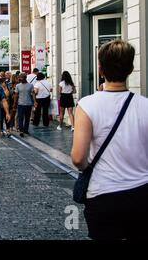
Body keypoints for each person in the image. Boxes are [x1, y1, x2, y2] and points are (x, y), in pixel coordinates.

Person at [71, 40, 148, 240]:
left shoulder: (88, 105)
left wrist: (90, 166)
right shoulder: (145, 106)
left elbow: (78, 158)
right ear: (131, 69)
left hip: (103, 194)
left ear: (100, 69)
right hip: (142, 193)